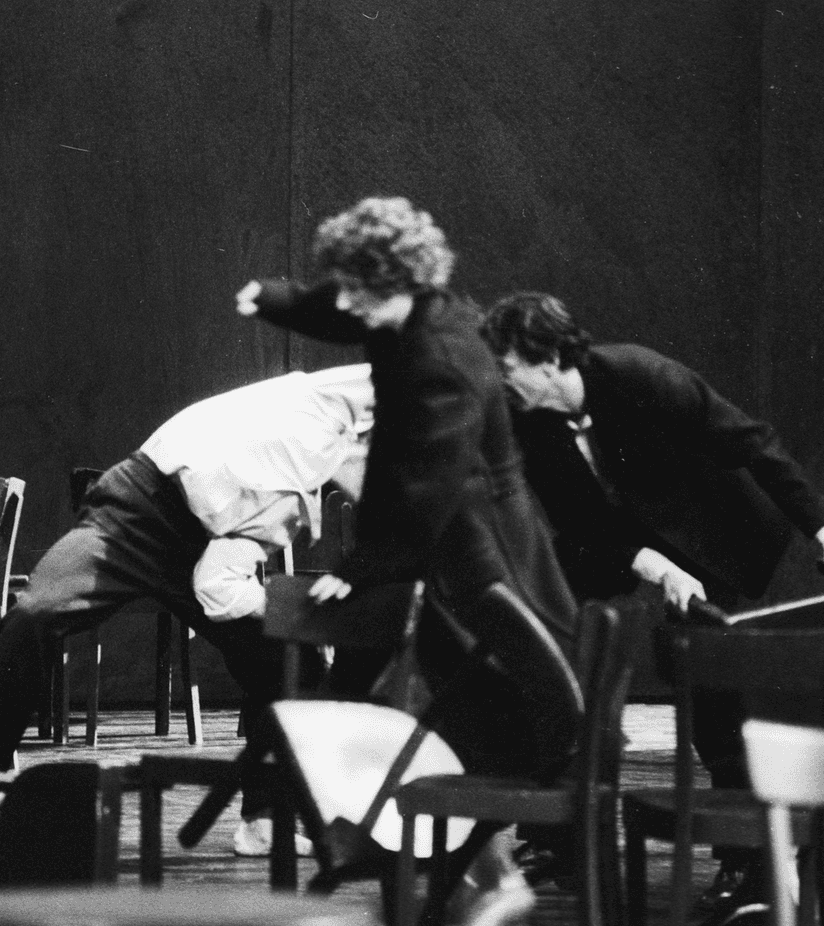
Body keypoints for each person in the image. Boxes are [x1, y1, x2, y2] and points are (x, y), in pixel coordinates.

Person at [237, 197, 581, 926]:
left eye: (359, 289)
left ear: (395, 280)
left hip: (486, 555)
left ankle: (499, 872)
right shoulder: (419, 311)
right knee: (465, 706)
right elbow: (340, 309)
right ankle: (484, 872)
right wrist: (280, 300)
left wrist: (366, 565)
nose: (349, 303)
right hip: (456, 545)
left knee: (510, 701)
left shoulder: (441, 361)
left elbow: (431, 485)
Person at [479, 290, 824, 900]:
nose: (505, 386)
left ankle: (747, 856)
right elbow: (584, 523)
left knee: (718, 683)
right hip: (627, 543)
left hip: (714, 536)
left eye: (508, 371)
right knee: (558, 650)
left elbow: (756, 443)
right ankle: (564, 834)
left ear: (551, 357)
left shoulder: (642, 375)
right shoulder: (528, 423)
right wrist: (658, 570)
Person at [0, 364, 374, 865]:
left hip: (206, 544)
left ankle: (263, 820)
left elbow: (215, 589)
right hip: (139, 508)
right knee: (37, 611)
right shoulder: (320, 416)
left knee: (282, 658)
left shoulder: (295, 485)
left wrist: (285, 611)